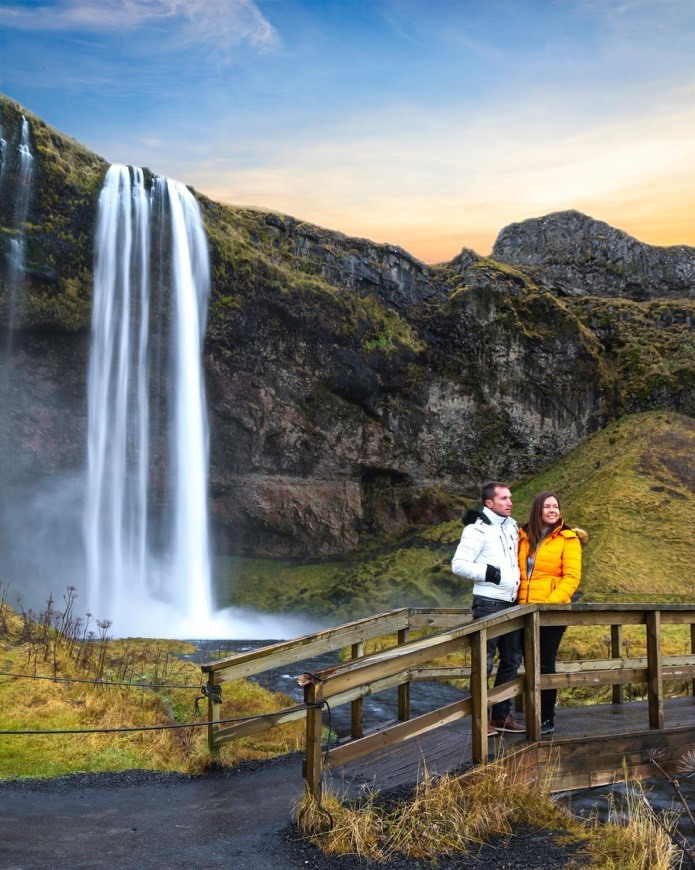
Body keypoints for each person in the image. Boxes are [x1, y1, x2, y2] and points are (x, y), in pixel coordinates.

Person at [451, 481, 525, 735]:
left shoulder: (512, 527)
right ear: (489, 503)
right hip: (488, 603)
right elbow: (459, 564)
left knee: (512, 661)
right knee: (485, 663)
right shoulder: (476, 530)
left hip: (512, 603)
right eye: (504, 498)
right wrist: (491, 574)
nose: (509, 502)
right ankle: (481, 721)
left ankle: (501, 716)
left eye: (510, 498)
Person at [517, 490, 586, 735]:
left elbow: (572, 577)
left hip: (551, 612)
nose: (552, 510)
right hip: (523, 610)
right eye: (547, 506)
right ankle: (527, 714)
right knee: (525, 663)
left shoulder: (568, 539)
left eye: (555, 506)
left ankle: (547, 718)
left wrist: (549, 603)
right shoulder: (523, 538)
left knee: (545, 664)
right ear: (538, 510)